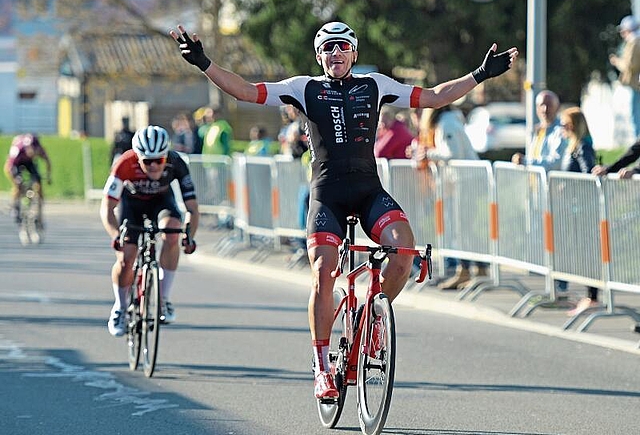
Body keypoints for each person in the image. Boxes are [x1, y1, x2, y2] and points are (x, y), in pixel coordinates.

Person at [170, 21, 518, 399]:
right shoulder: (303, 88)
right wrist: (204, 62)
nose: (336, 54)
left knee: (403, 251)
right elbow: (245, 91)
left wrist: (480, 74)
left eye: (342, 47)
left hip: (368, 191)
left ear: (354, 53)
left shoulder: (375, 85)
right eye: (328, 49)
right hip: (328, 196)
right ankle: (321, 366)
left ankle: (372, 318)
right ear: (319, 56)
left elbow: (433, 96)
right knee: (323, 272)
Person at [100, 125, 199, 337]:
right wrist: (116, 235)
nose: (154, 166)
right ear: (138, 157)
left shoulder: (177, 163)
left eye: (159, 160)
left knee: (173, 231)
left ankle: (163, 300)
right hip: (131, 205)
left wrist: (189, 235)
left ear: (166, 156)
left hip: (161, 202)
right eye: (147, 161)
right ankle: (119, 307)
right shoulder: (124, 164)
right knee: (127, 257)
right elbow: (107, 208)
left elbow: (192, 207)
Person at [410, 105, 489, 289]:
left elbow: (453, 154)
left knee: (463, 227)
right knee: (464, 228)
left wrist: (428, 153)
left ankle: (468, 270)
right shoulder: (448, 122)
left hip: (465, 181)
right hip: (463, 180)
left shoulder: (446, 124)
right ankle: (475, 269)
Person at [555, 107, 599, 316]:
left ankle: (593, 297)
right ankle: (589, 295)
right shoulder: (572, 146)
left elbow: (588, 174)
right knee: (582, 251)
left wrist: (570, 186)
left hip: (583, 208)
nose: (561, 128)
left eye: (564, 124)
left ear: (573, 125)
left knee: (588, 251)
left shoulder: (583, 146)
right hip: (574, 208)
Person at [511, 90, 567, 172]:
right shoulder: (537, 130)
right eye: (542, 105)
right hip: (534, 183)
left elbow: (556, 164)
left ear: (557, 107)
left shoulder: (561, 131)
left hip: (551, 184)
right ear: (537, 108)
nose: (545, 109)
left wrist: (525, 161)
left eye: (549, 105)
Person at [4, 133, 51, 225]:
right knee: (18, 184)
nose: (33, 155)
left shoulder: (39, 149)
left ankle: (39, 208)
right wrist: (15, 181)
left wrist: (49, 176)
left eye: (34, 154)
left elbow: (48, 161)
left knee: (38, 181)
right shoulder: (18, 149)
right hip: (16, 163)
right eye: (31, 152)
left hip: (29, 163)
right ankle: (15, 206)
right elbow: (9, 167)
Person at [609, 15, 640, 139]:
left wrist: (617, 61)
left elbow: (630, 65)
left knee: (636, 115)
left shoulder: (634, 42)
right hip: (635, 84)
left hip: (636, 84)